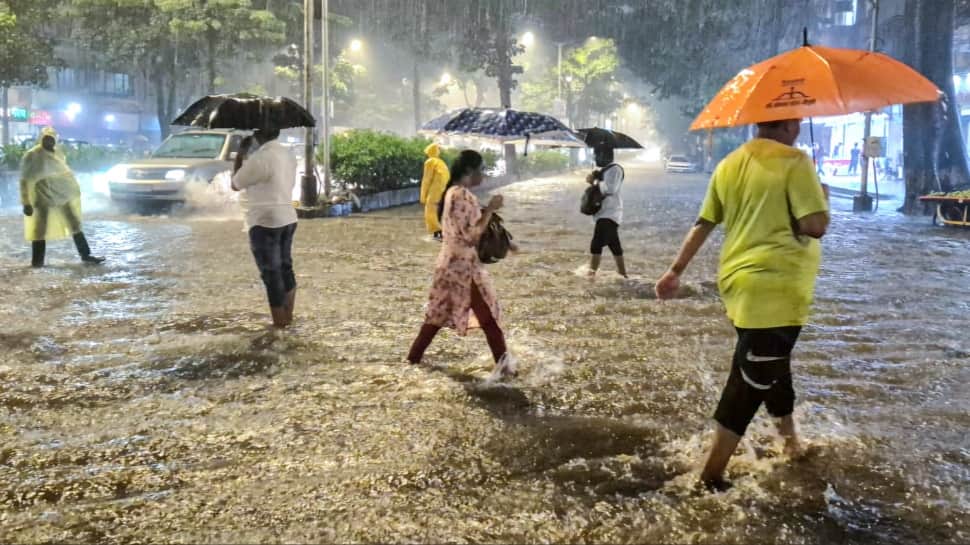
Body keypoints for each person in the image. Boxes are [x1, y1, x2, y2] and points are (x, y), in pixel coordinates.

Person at [654, 119, 830, 492]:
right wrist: (822, 200)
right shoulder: (796, 162)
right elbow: (814, 226)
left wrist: (675, 271)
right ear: (788, 125)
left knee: (771, 368)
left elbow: (704, 222)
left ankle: (791, 445)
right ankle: (710, 475)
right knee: (750, 379)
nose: (798, 126)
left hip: (738, 284)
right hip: (777, 289)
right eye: (796, 119)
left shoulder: (729, 164)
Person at [407, 150, 516, 378]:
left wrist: (488, 213)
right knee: (489, 319)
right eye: (481, 170)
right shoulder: (461, 195)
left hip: (449, 264)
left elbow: (465, 228)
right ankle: (506, 372)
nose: (483, 176)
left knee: (436, 315)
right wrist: (492, 209)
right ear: (469, 170)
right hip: (464, 269)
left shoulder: (453, 193)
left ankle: (412, 360)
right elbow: (472, 235)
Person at [231, 127, 298, 329]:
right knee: (285, 268)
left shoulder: (260, 158)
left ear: (258, 136)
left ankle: (279, 326)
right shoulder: (288, 155)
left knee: (271, 274)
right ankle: (288, 317)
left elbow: (235, 184)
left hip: (264, 220)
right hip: (288, 217)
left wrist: (240, 154)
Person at [20, 127, 104, 268]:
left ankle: (86, 255)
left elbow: (64, 173)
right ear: (41, 139)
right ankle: (37, 262)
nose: (49, 141)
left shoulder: (57, 153)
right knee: (40, 229)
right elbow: (25, 180)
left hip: (61, 194)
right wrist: (26, 202)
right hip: (43, 195)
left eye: (52, 138)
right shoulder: (33, 155)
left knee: (75, 224)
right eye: (46, 138)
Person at [587, 145, 627, 278]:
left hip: (610, 213)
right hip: (604, 213)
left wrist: (595, 181)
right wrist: (596, 179)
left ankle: (591, 275)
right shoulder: (604, 170)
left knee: (596, 243)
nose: (595, 157)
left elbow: (610, 189)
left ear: (605, 155)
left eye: (597, 154)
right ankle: (622, 274)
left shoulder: (615, 169)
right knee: (613, 243)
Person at [420, 143, 450, 241]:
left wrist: (423, 196)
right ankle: (438, 232)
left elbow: (426, 179)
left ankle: (438, 230)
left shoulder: (430, 162)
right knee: (438, 211)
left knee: (430, 210)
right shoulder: (441, 162)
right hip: (444, 190)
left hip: (435, 190)